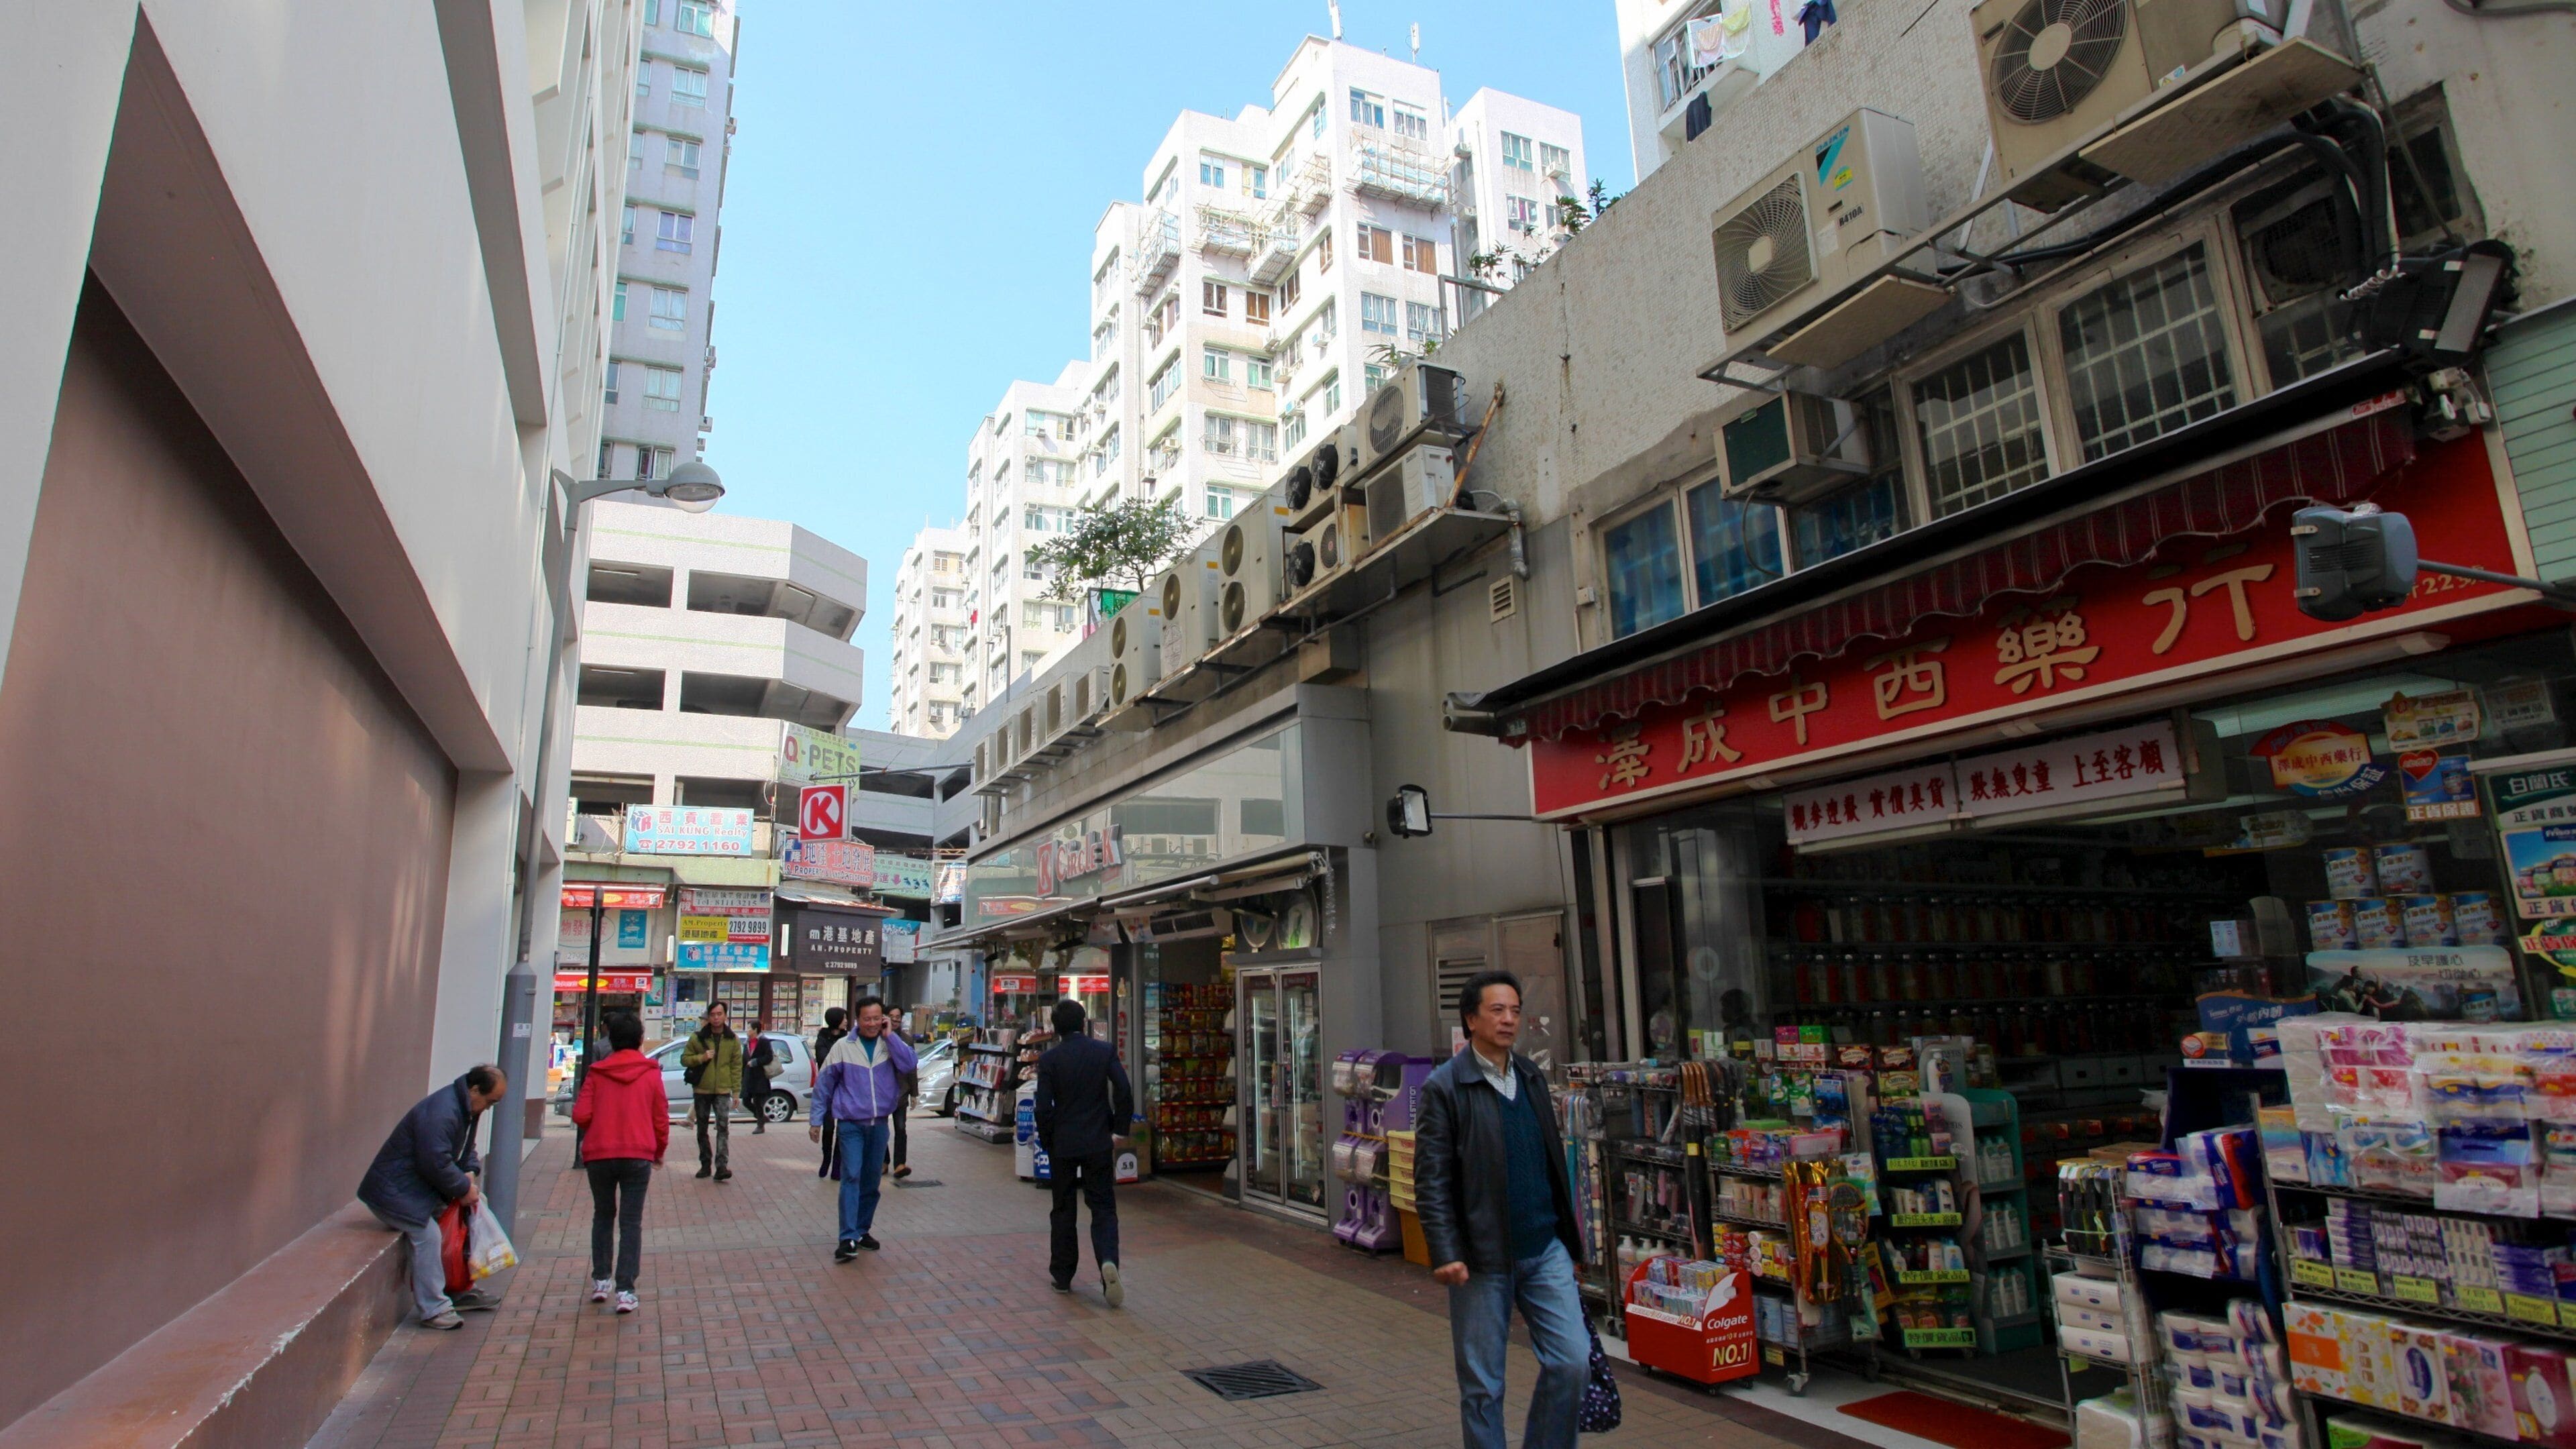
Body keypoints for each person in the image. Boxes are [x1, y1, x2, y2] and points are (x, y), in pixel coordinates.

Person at [1416, 970, 1588, 1449]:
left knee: (1572, 1361)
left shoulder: (1532, 1076)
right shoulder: (1445, 1088)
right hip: (1482, 1258)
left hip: (1543, 1248)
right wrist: (1445, 1251)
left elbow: (1552, 1163)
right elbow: (1431, 1179)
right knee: (1483, 1387)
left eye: (1515, 1010)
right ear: (1471, 1019)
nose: (1509, 1020)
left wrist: (1569, 1242)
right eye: (1497, 1010)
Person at [356, 1064, 508, 1329]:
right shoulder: (443, 1112)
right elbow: (435, 1162)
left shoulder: (463, 1108)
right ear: (474, 1090)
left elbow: (464, 1150)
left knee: (469, 1214)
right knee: (428, 1236)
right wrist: (462, 1188)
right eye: (490, 1101)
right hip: (393, 1195)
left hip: (415, 1191)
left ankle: (458, 1289)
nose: (488, 1107)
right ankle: (434, 1308)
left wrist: (470, 1173)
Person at [1032, 998, 1132, 1307]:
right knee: (1103, 1206)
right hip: (1098, 1141)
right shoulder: (1103, 1051)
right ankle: (1107, 1260)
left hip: (1063, 1143)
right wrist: (1119, 1130)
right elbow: (1124, 1091)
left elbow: (1042, 1107)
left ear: (1055, 1028)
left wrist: (1049, 1141)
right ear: (1085, 1021)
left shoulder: (1050, 1060)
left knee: (1063, 1208)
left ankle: (1063, 1276)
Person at [570, 1012, 667, 1313]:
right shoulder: (651, 1073)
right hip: (638, 1154)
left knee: (603, 1216)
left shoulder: (597, 1073)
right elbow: (660, 1120)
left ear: (610, 1040)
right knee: (631, 1222)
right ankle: (626, 1290)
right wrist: (659, 1151)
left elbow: (581, 1115)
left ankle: (601, 1280)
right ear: (640, 1040)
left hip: (600, 1154)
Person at [807, 997, 916, 1261]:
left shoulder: (889, 1044)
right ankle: (847, 1238)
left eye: (877, 1019)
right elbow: (824, 1084)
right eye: (867, 1019)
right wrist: (816, 1119)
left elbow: (909, 1064)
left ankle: (862, 1231)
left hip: (879, 1125)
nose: (872, 1024)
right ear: (857, 1020)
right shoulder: (843, 1047)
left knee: (871, 1181)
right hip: (850, 1125)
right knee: (852, 1176)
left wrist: (891, 1037)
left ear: (884, 1020)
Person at [680, 1002, 743, 1181]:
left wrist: (736, 1092)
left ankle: (722, 1166)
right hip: (702, 1089)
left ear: (725, 1016)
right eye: (713, 1014)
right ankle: (705, 1163)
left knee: (723, 1127)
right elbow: (685, 1059)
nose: (716, 1018)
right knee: (702, 1128)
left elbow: (736, 1066)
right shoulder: (698, 1038)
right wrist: (702, 1057)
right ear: (708, 1017)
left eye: (719, 1014)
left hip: (723, 1090)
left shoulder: (732, 1039)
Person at [812, 1006, 849, 1179]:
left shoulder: (848, 1039)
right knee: (828, 1129)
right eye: (843, 1018)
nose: (846, 1021)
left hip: (844, 1089)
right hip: (828, 1089)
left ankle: (837, 1166)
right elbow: (824, 1059)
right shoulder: (822, 1038)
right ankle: (826, 1159)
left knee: (842, 1130)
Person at [887, 1009, 915, 1181]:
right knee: (881, 1130)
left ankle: (900, 1164)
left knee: (901, 1128)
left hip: (902, 1091)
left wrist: (914, 1093)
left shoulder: (907, 1039)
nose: (896, 1020)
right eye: (892, 1017)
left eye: (898, 1017)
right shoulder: (879, 1038)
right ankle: (883, 1161)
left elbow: (912, 1068)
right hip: (883, 1091)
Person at [742, 1020, 775, 1134]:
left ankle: (760, 1125)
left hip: (760, 1076)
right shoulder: (747, 1042)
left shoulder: (764, 1041)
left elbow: (769, 1057)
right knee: (746, 1101)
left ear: (755, 1030)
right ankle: (761, 1117)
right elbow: (744, 1059)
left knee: (758, 1101)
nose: (747, 1031)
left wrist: (756, 1062)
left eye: (749, 1028)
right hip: (748, 1076)